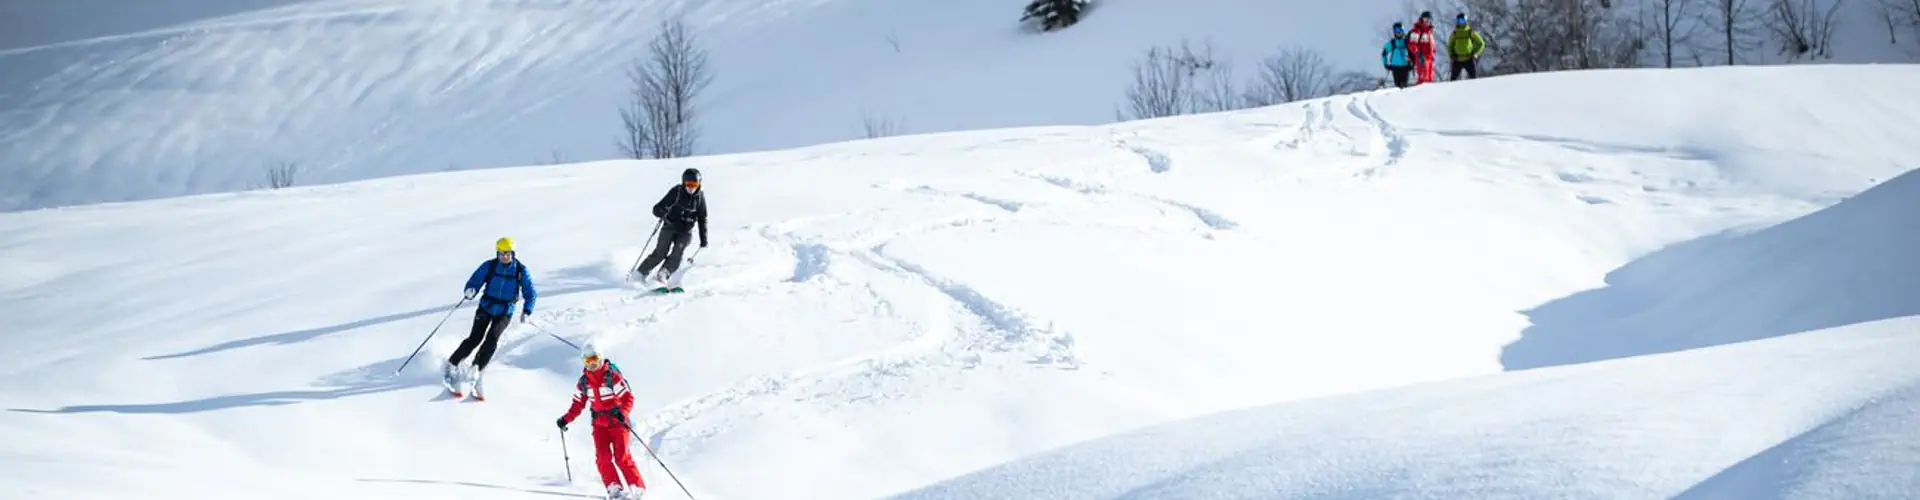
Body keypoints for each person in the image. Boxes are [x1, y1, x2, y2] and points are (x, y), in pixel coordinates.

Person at [445, 237, 537, 400]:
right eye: (501, 253)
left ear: (513, 253)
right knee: (475, 338)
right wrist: (471, 290)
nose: (504, 257)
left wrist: (527, 310)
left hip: (505, 311)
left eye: (507, 253)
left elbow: (530, 293)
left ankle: (477, 368)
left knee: (492, 339)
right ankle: (452, 363)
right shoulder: (490, 265)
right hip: (486, 307)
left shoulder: (520, 270)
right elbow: (475, 280)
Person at [557, 342, 646, 499]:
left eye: (595, 360)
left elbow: (628, 398)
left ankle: (637, 488)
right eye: (587, 361)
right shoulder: (584, 382)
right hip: (599, 426)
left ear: (601, 358)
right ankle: (615, 489)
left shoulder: (612, 377)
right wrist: (566, 419)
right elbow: (578, 404)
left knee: (622, 457)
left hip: (618, 423)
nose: (592, 364)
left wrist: (623, 413)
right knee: (602, 458)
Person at [632, 168, 708, 285]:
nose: (691, 188)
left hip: (686, 231)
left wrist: (704, 239)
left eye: (694, 184)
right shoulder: (676, 192)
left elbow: (702, 219)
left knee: (678, 253)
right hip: (670, 226)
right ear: (683, 183)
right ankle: (640, 274)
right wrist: (669, 218)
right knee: (660, 252)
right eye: (688, 184)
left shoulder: (700, 198)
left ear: (699, 184)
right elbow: (657, 209)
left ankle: (663, 274)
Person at [1448, 12, 1486, 81]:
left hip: (1469, 59)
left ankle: (1474, 92)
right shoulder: (1455, 33)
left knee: (1474, 80)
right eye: (1459, 21)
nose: (1461, 22)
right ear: (1457, 21)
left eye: (1463, 20)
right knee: (1452, 81)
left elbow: (1482, 43)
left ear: (1466, 21)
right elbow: (1449, 46)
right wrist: (1451, 56)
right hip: (1457, 59)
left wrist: (1477, 53)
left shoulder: (1470, 32)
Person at [1409, 11, 1439, 85]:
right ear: (1421, 19)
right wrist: (1418, 54)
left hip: (1429, 59)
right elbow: (1412, 45)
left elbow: (1432, 46)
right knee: (1422, 79)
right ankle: (1419, 94)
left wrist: (1433, 54)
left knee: (1429, 79)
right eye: (1425, 20)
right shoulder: (1417, 30)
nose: (1427, 22)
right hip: (1421, 59)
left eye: (1429, 20)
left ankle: (1428, 95)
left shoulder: (1429, 32)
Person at [1382, 23, 1414, 89]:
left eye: (1400, 30)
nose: (1398, 32)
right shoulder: (1392, 43)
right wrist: (1386, 64)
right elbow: (1384, 53)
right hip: (1395, 67)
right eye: (1396, 30)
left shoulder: (1407, 42)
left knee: (1404, 87)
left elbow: (1413, 52)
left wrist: (1412, 64)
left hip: (1405, 67)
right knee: (1397, 87)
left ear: (1403, 30)